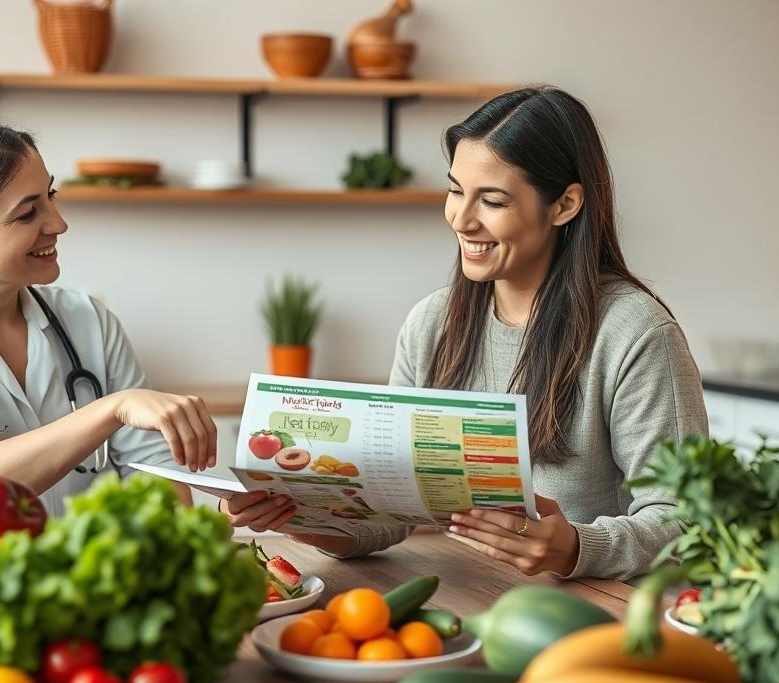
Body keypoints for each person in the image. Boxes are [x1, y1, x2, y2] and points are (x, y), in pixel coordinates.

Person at [227, 86, 708, 581]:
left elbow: (688, 521)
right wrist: (303, 518)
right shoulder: (431, 323)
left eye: (492, 200)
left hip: (596, 616)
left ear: (564, 204)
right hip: (467, 593)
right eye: (456, 190)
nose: (460, 218)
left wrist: (576, 547)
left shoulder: (636, 334)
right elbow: (391, 515)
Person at [0, 119, 289, 522]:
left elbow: (158, 491)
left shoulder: (88, 320)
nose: (58, 223)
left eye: (51, 196)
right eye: (27, 213)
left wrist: (213, 522)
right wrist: (113, 408)